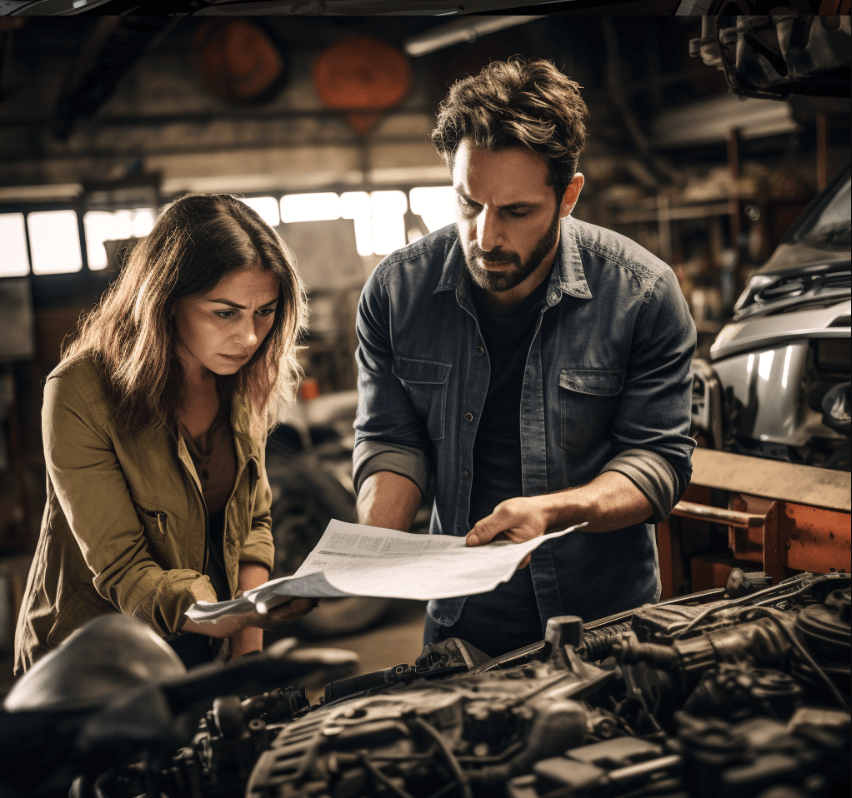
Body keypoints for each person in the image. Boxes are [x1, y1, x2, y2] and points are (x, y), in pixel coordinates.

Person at [354, 58, 697, 658]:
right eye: (468, 204)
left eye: (515, 212)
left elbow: (658, 461)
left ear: (568, 196)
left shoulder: (641, 293)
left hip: (605, 624)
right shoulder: (396, 292)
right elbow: (391, 438)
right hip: (459, 626)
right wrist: (370, 544)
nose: (485, 237)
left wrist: (555, 511)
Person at [14, 194, 316, 673]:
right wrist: (216, 613)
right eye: (225, 312)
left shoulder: (244, 376)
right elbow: (123, 568)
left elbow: (253, 521)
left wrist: (247, 647)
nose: (251, 337)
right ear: (166, 301)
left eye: (265, 311)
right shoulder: (79, 391)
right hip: (93, 665)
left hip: (201, 648)